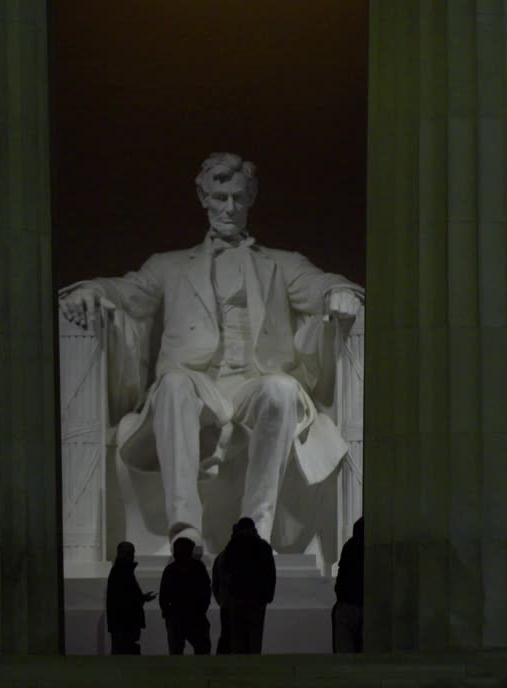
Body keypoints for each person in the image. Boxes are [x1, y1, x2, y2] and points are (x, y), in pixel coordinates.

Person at [59, 152, 364, 550]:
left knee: (284, 389)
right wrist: (92, 290)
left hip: (253, 384)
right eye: (220, 197)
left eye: (238, 197)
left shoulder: (282, 265)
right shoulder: (168, 266)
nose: (229, 208)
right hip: (197, 384)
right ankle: (185, 529)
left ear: (251, 198)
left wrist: (339, 291)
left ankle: (254, 531)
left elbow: (321, 283)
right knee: (172, 385)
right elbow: (127, 291)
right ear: (203, 198)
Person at [219, 517, 276, 654]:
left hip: (237, 597)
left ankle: (239, 669)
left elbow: (225, 570)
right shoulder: (263, 547)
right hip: (257, 599)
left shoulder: (233, 546)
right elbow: (270, 574)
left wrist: (227, 596)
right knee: (255, 636)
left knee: (237, 638)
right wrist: (267, 596)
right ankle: (254, 668)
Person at [158, 537, 212, 655]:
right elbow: (206, 590)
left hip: (179, 615)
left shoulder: (171, 569)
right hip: (194, 615)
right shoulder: (198, 567)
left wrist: (167, 613)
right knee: (202, 649)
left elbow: (163, 595)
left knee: (177, 651)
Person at [106, 541, 155, 655]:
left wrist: (142, 598)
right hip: (124, 624)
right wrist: (141, 598)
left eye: (132, 553)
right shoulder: (121, 571)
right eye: (129, 553)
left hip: (123, 624)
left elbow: (127, 596)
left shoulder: (121, 571)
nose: (132, 556)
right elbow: (125, 599)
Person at [333, 516, 363, 653]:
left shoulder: (349, 546)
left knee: (344, 650)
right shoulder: (371, 547)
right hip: (360, 603)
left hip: (346, 603)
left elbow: (343, 575)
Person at [212, 523, 237, 654]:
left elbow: (215, 583)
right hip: (247, 604)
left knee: (227, 634)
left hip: (227, 603)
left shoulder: (222, 556)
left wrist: (221, 600)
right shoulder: (223, 557)